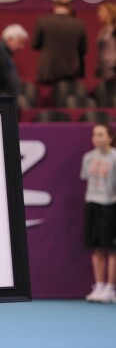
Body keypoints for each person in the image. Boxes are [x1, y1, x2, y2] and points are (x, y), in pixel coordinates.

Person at [80, 123, 116, 303]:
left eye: (101, 135)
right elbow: (86, 177)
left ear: (110, 138)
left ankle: (110, 288)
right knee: (96, 247)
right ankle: (99, 285)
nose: (97, 138)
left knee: (111, 249)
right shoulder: (88, 158)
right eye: (95, 135)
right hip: (92, 204)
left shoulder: (115, 158)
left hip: (110, 205)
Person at [32, 0, 87, 84]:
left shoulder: (43, 22)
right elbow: (84, 49)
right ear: (69, 8)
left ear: (54, 7)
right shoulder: (79, 24)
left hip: (48, 69)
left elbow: (35, 45)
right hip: (71, 70)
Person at [95, 2, 116, 80]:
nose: (99, 14)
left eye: (101, 11)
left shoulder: (114, 29)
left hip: (113, 68)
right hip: (102, 67)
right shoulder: (103, 31)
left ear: (110, 13)